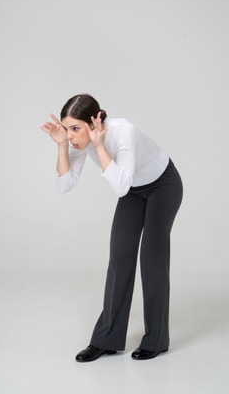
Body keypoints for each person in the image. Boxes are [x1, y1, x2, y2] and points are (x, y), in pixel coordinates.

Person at [41, 94, 183, 362]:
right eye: (66, 128)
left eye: (75, 129)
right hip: (132, 190)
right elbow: (65, 184)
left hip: (163, 186)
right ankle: (106, 339)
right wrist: (62, 146)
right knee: (120, 258)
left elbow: (120, 186)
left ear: (94, 123)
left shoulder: (123, 132)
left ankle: (157, 340)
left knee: (152, 259)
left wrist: (100, 145)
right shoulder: (77, 140)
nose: (70, 135)